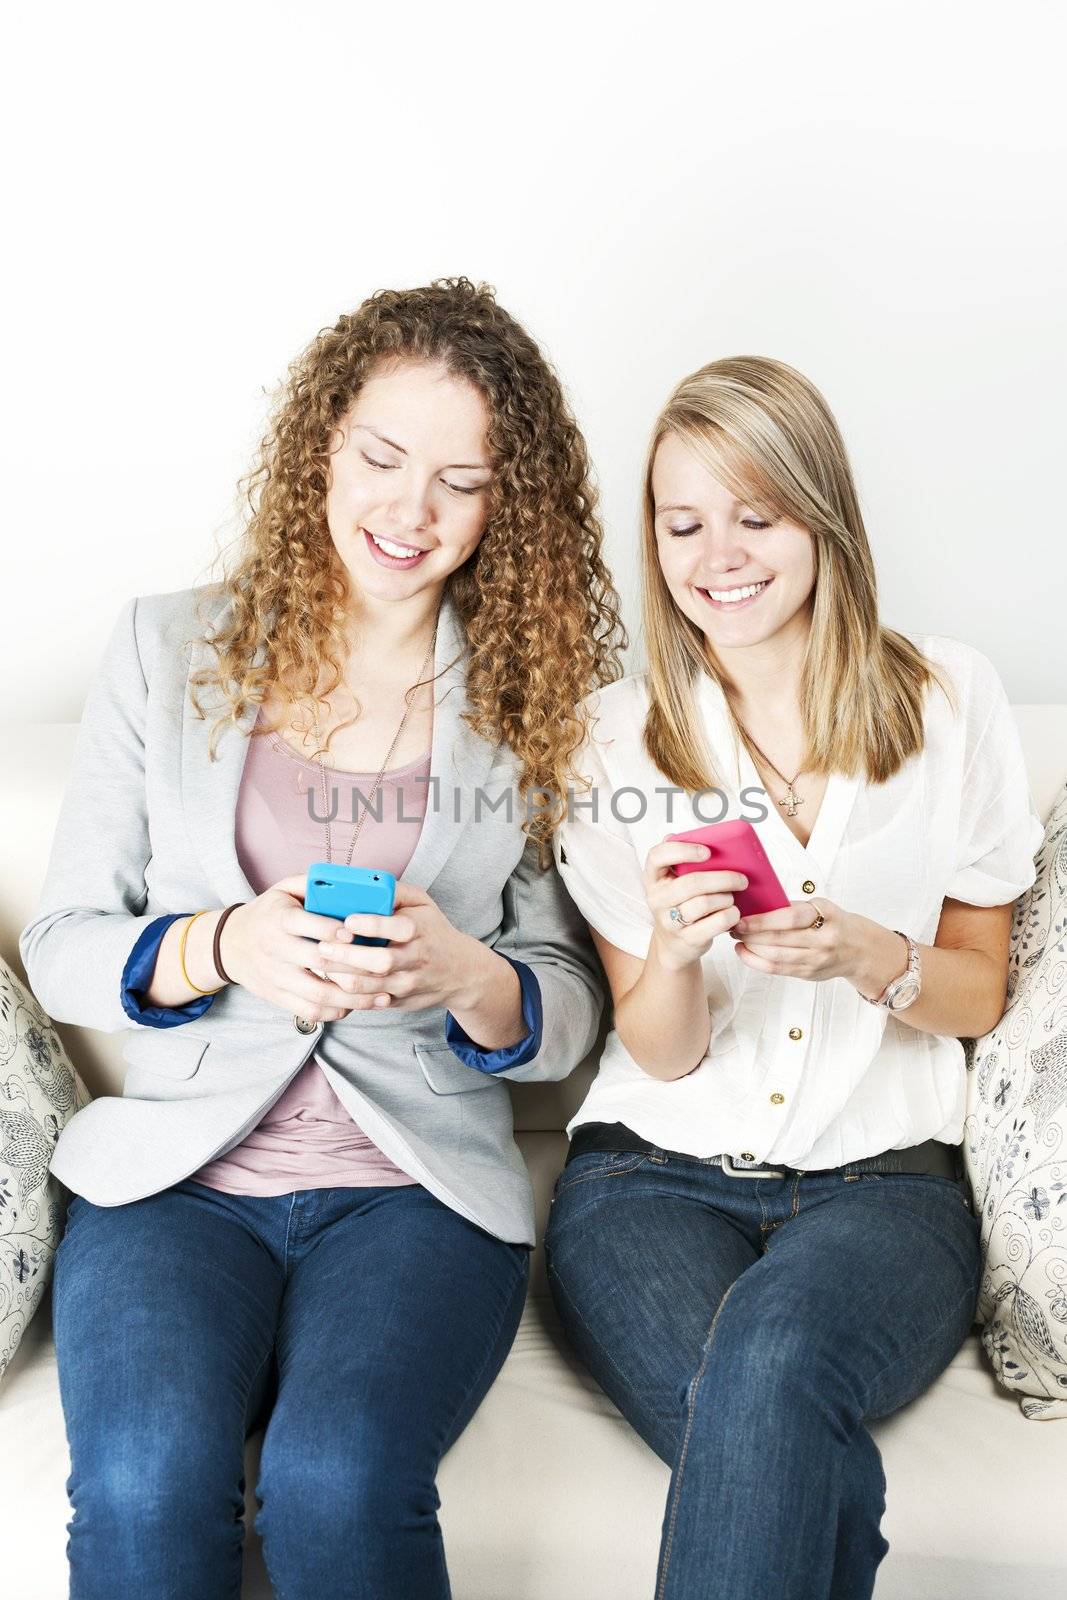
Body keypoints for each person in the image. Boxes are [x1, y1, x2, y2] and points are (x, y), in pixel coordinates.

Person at [20, 277, 624, 1600]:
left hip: (416, 1195)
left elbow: (572, 1003)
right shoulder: (164, 646)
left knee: (334, 1480)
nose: (408, 511)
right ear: (320, 450)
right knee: (143, 1482)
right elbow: (65, 946)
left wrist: (468, 974)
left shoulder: (534, 696)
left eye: (458, 481)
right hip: (174, 1185)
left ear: (500, 505)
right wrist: (225, 942)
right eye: (381, 458)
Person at [545, 355, 1044, 1600]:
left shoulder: (948, 700)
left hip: (885, 1198)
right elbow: (657, 1051)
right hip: (642, 1187)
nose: (718, 554)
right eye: (682, 522)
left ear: (821, 518)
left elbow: (977, 994)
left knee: (768, 1364)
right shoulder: (611, 736)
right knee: (788, 1446)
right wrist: (667, 949)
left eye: (754, 515)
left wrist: (871, 956)